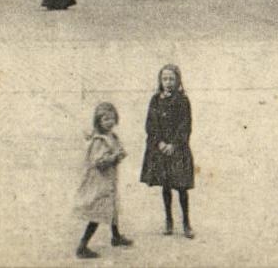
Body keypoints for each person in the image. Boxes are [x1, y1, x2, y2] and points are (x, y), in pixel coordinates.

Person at [140, 64, 194, 238]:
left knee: (181, 187)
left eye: (171, 79)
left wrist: (174, 144)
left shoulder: (183, 101)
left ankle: (186, 223)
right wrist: (160, 143)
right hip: (161, 149)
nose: (168, 82)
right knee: (166, 186)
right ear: (160, 80)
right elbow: (150, 124)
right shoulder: (155, 100)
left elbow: (185, 125)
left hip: (177, 151)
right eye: (165, 79)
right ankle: (169, 221)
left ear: (177, 80)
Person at [74, 102, 132, 258]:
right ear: (98, 121)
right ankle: (82, 246)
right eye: (105, 119)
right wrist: (114, 157)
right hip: (100, 183)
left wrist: (120, 154)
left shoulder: (112, 136)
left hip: (109, 181)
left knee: (113, 208)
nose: (109, 122)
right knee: (97, 214)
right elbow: (99, 162)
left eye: (112, 118)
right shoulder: (99, 140)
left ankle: (116, 236)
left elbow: (117, 150)